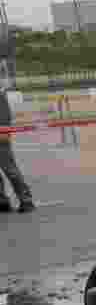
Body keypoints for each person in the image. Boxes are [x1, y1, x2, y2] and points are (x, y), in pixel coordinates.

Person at [0, 76, 37, 213]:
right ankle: (2, 200)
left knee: (10, 169)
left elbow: (4, 116)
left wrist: (4, 133)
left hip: (0, 137)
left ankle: (25, 199)